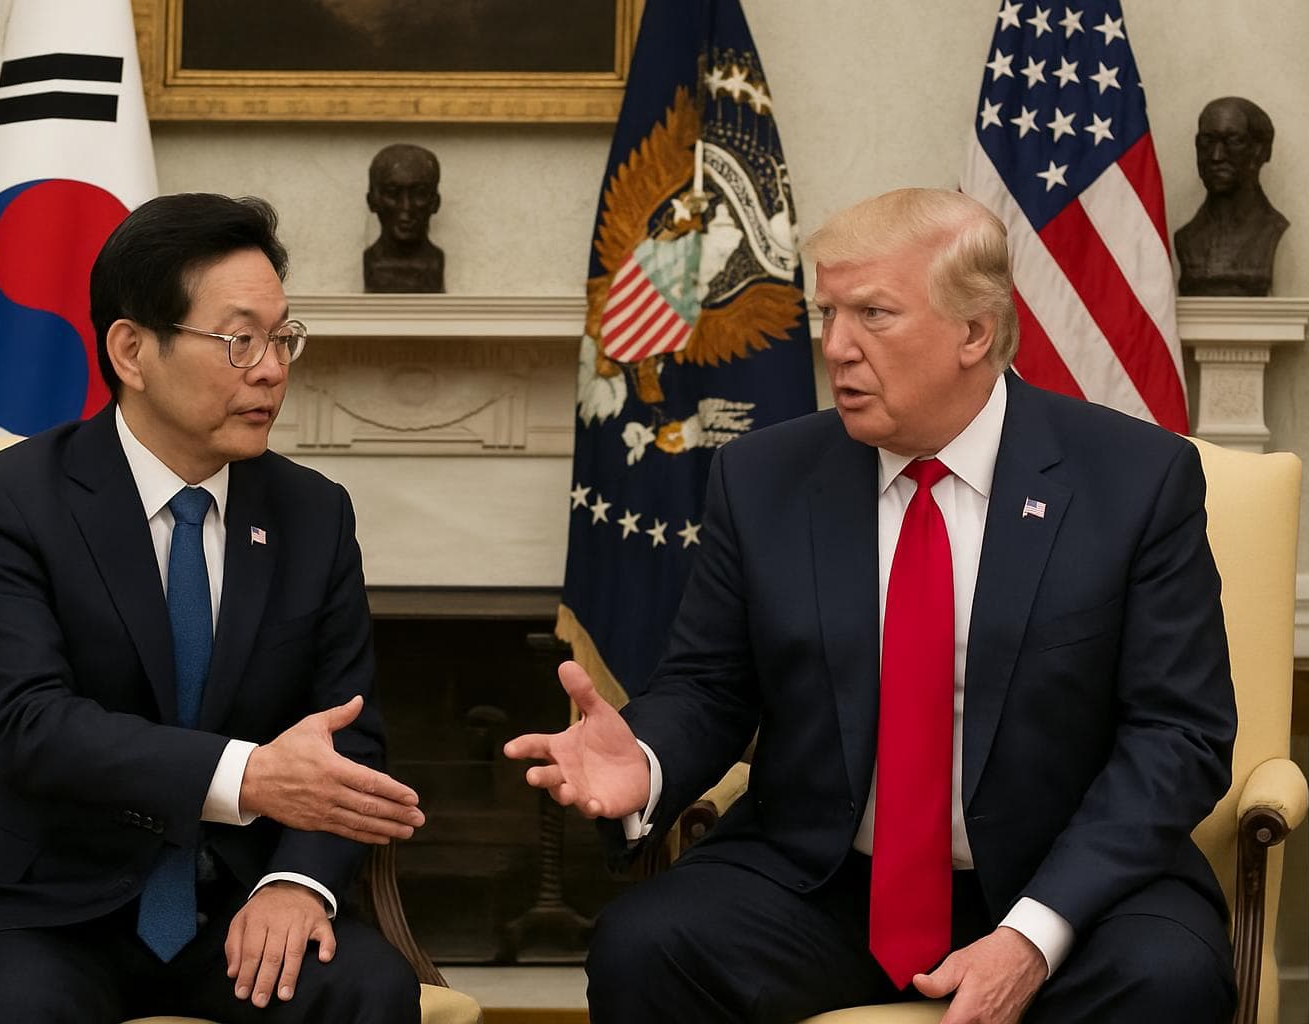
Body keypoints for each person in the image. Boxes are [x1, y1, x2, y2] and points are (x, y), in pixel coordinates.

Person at [507, 188, 1238, 1024]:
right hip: (825, 883)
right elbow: (709, 687)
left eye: (874, 315)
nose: (837, 348)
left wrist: (1033, 935)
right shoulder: (762, 478)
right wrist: (647, 761)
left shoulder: (1135, 480)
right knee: (648, 945)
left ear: (975, 331)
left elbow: (1178, 734)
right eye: (829, 314)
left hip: (1067, 885)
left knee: (1167, 980)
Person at [0, 193, 426, 1024]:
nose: (273, 368)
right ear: (133, 350)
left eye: (284, 337)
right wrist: (252, 777)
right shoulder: (9, 501)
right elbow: (27, 722)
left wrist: (297, 882)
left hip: (233, 905)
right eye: (241, 339)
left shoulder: (315, 513)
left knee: (367, 989)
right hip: (31, 905)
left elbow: (346, 731)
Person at [1175, 96, 1288, 296]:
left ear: (1260, 150)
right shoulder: (1186, 238)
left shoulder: (1273, 230)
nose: (1216, 156)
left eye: (1233, 140)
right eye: (1207, 141)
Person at [363, 143, 444, 293]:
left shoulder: (435, 262)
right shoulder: (372, 262)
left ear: (435, 202)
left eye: (419, 193)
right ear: (372, 201)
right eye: (392, 193)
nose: (406, 208)